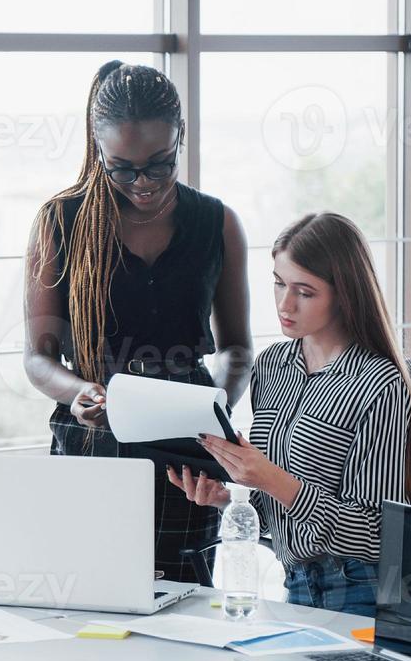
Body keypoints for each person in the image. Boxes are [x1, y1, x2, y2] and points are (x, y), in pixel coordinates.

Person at [23, 60, 252, 582]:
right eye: (121, 168)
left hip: (186, 448)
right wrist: (76, 392)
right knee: (86, 597)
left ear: (180, 141)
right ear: (96, 151)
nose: (142, 182)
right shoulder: (61, 221)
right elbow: (38, 357)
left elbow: (237, 347)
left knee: (186, 603)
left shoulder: (216, 222)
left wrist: (213, 407)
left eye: (159, 163)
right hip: (92, 437)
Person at [169, 212, 411, 616]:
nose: (284, 304)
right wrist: (232, 497)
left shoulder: (379, 384)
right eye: (278, 283)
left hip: (361, 589)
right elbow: (281, 510)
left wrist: (270, 478)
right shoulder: (271, 366)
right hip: (298, 585)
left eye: (304, 292)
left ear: (345, 294)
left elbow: (377, 533)